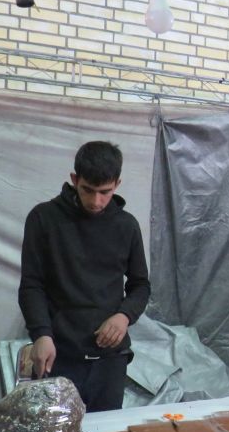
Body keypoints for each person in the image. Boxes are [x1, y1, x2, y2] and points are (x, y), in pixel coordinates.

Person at [19, 141, 150, 411]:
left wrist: (124, 316)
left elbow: (140, 286)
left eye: (105, 192)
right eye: (88, 190)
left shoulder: (126, 226)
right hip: (59, 355)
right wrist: (41, 334)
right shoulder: (44, 219)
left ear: (117, 184)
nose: (95, 201)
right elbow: (32, 285)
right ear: (75, 179)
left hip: (110, 362)